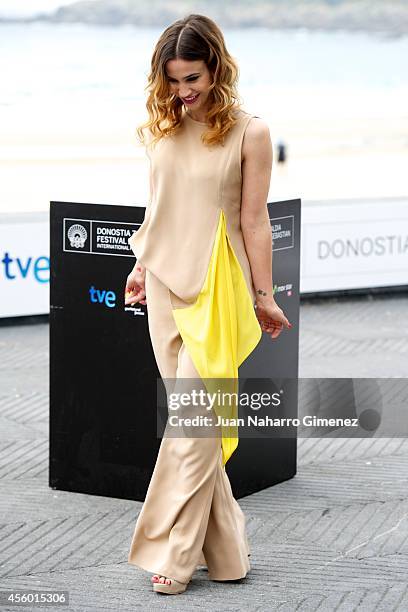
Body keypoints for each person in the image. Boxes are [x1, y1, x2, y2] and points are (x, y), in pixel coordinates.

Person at [124, 13, 291, 595]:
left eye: (191, 77)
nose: (182, 90)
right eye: (172, 80)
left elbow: (255, 221)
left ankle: (171, 551)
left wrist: (263, 296)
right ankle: (228, 554)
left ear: (216, 67)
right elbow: (157, 203)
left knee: (192, 425)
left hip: (218, 290)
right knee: (193, 422)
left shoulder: (251, 132)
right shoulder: (162, 124)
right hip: (166, 286)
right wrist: (142, 265)